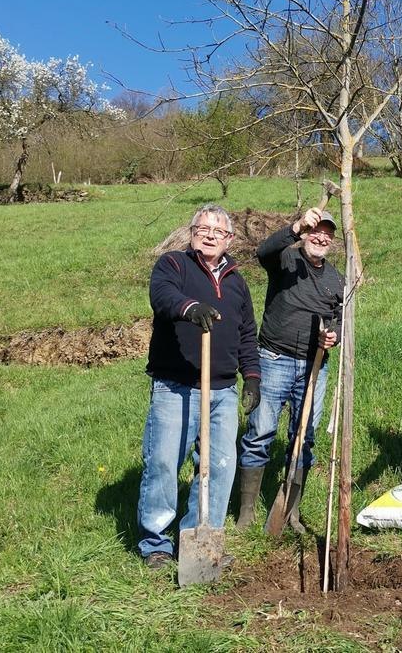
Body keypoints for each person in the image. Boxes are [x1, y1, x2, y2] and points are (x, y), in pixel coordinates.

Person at [137, 203, 261, 568]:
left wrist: (251, 376)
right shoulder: (173, 265)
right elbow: (162, 296)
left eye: (217, 231)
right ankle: (156, 544)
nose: (208, 235)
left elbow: (246, 334)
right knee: (163, 461)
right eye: (201, 228)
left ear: (230, 239)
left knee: (220, 467)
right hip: (175, 386)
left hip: (222, 391)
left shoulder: (237, 281)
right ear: (192, 233)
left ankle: (202, 540)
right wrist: (189, 307)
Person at [236, 206, 344, 533]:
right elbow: (262, 251)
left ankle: (291, 511)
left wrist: (334, 335)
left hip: (314, 366)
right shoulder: (285, 260)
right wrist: (295, 227)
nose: (321, 236)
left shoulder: (336, 278)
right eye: (316, 230)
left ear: (332, 241)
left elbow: (339, 316)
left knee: (304, 439)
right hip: (273, 359)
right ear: (307, 233)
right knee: (260, 434)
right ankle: (246, 513)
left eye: (327, 233)